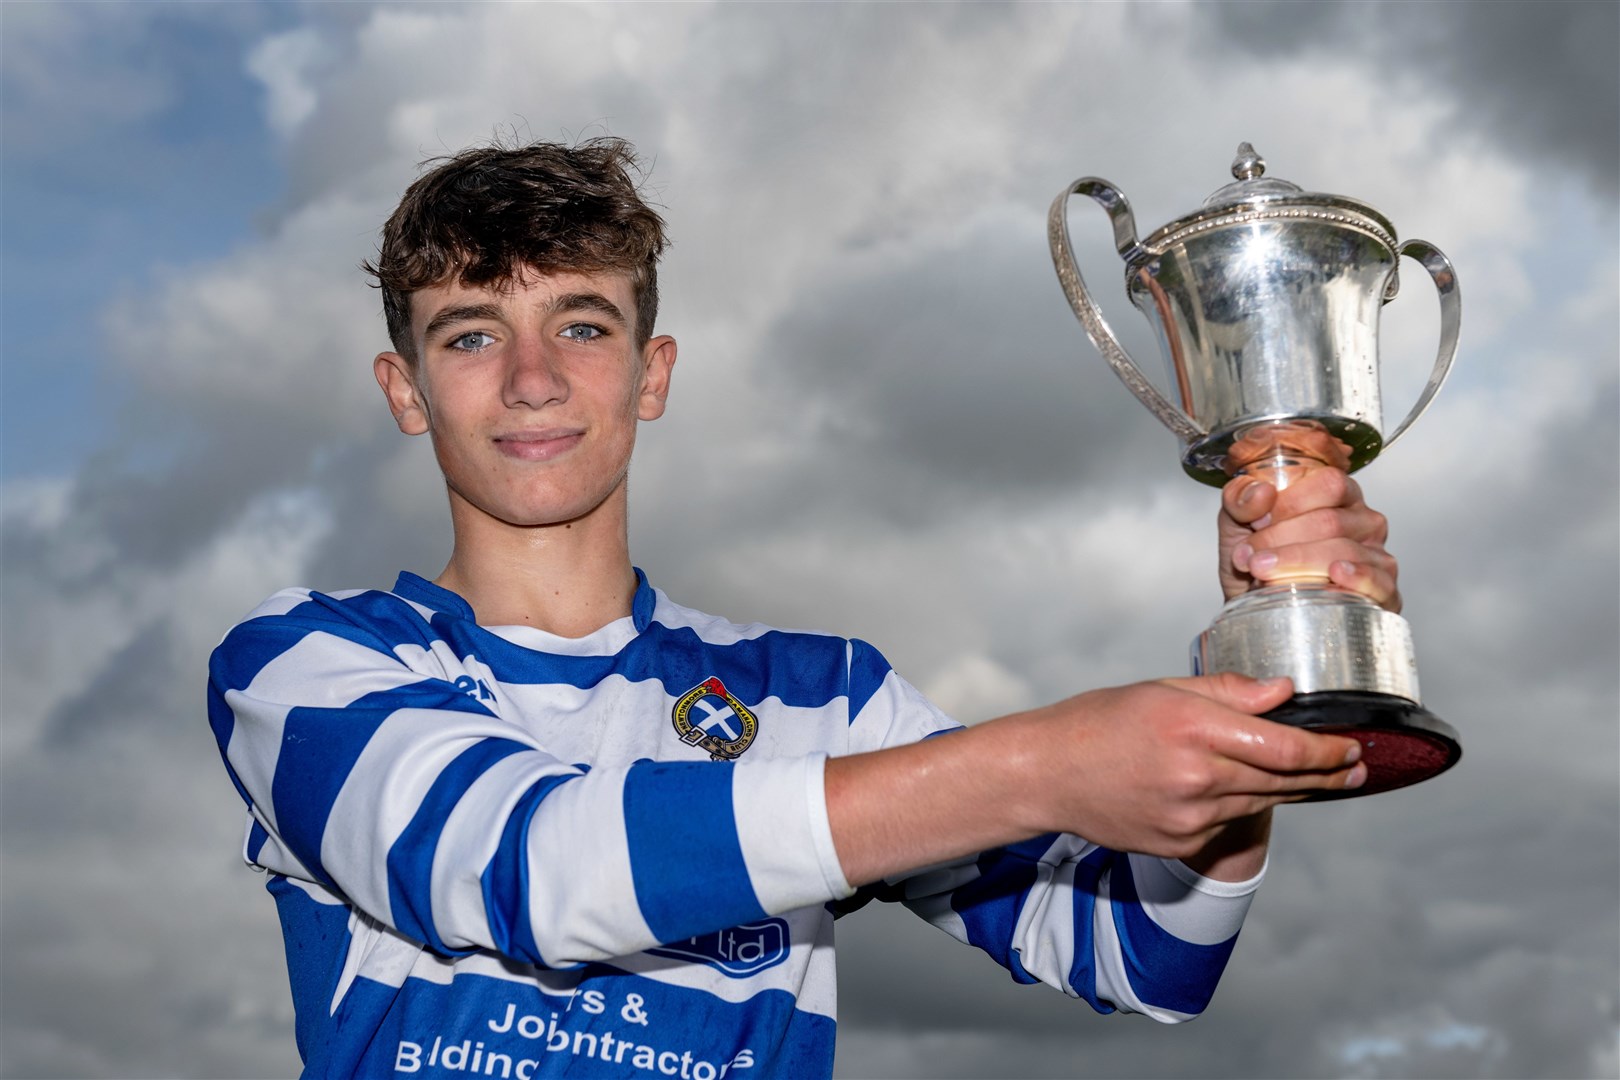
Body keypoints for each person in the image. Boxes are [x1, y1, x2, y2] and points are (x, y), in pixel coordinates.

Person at [207, 138, 1393, 1079]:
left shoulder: (822, 697)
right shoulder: (306, 663)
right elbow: (531, 870)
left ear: (651, 371)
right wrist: (1039, 766)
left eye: (581, 324)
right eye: (471, 335)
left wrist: (1263, 660)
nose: (533, 379)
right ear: (404, 392)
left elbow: (1146, 956)